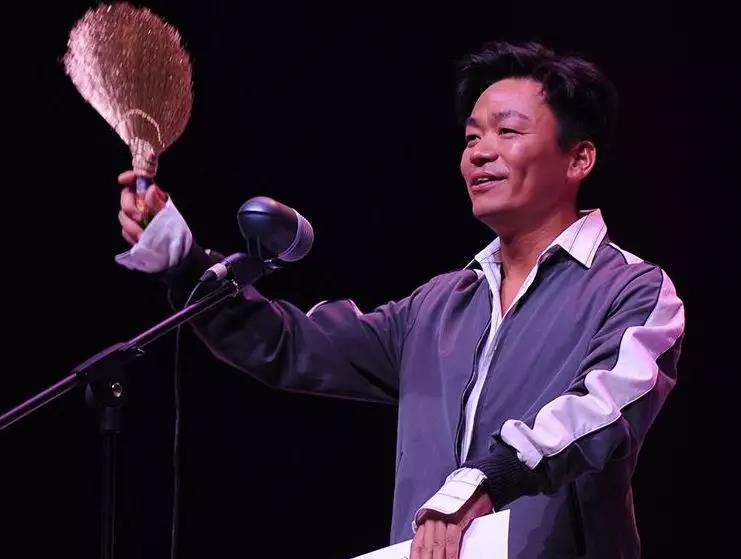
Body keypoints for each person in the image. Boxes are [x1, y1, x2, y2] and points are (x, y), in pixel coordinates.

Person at [114, 41, 685, 558]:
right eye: (471, 138)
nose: (480, 152)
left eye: (507, 132)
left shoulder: (632, 289)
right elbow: (291, 345)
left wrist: (483, 481)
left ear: (578, 159)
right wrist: (182, 260)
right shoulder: (436, 307)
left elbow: (602, 408)